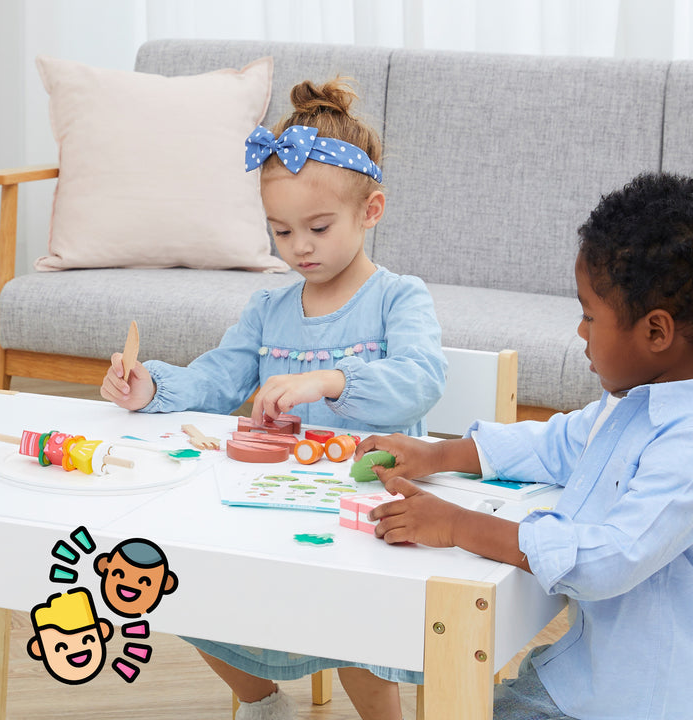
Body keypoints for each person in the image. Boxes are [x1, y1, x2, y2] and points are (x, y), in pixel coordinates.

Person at [101, 77, 446, 719]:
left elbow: (422, 378)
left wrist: (332, 380)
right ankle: (263, 703)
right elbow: (219, 377)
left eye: (317, 227)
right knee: (179, 582)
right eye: (280, 232)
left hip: (366, 502)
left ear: (371, 211)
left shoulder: (399, 297)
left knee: (355, 624)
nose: (299, 248)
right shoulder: (268, 306)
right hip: (270, 500)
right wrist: (150, 385)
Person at [356, 171, 693, 719]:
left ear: (656, 332)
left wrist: (459, 525)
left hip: (636, 701)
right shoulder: (636, 402)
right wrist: (439, 456)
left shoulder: (685, 444)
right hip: (583, 674)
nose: (581, 333)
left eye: (589, 315)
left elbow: (609, 559)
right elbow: (558, 443)